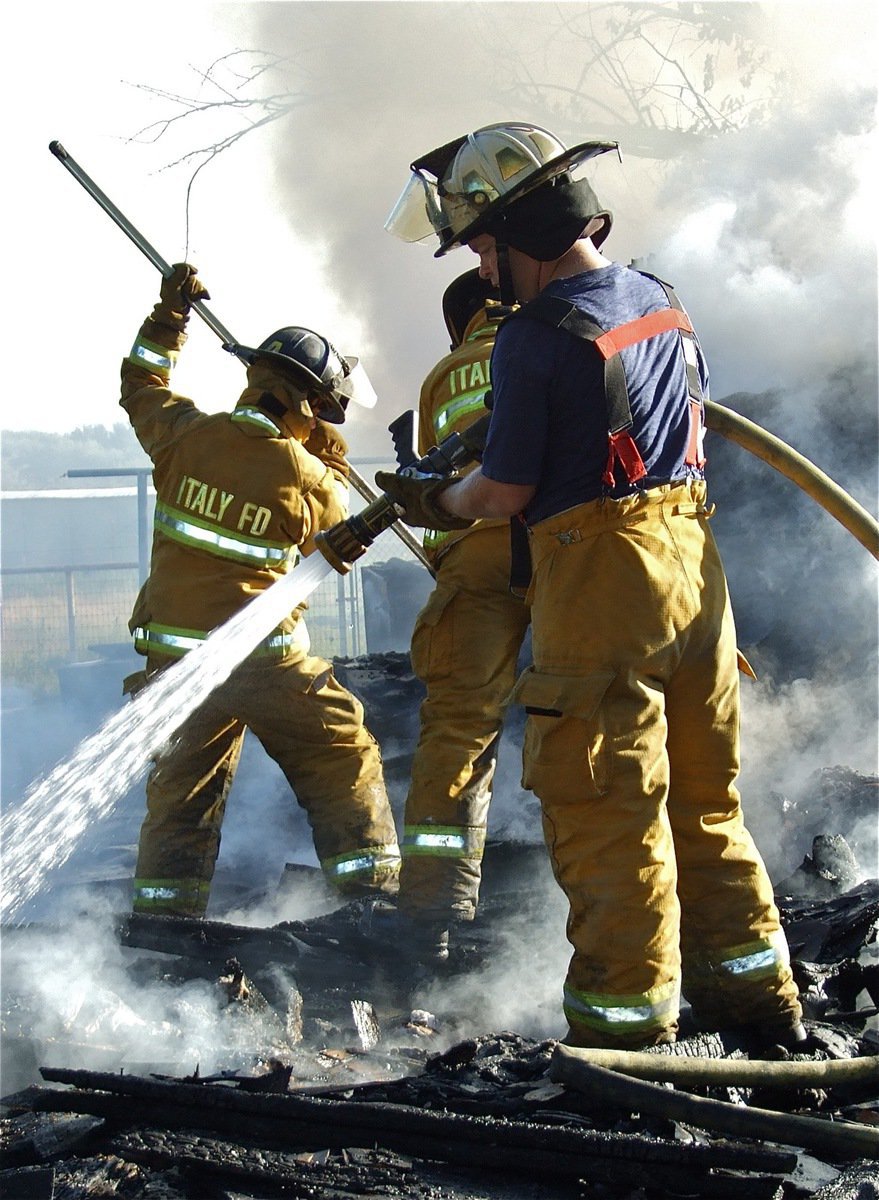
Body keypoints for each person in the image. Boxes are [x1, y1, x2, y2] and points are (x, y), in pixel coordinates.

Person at [377, 122, 804, 1050]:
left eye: (483, 247)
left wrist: (433, 499)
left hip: (604, 583)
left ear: (521, 233)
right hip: (694, 567)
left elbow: (503, 493)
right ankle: (761, 1008)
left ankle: (625, 1039)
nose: (482, 269)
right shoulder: (659, 298)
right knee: (706, 803)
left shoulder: (531, 338)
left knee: (607, 813)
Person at [122, 263, 401, 919]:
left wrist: (170, 317)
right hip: (263, 662)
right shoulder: (307, 475)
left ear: (254, 381)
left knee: (181, 795)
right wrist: (328, 455)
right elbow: (332, 541)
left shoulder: (183, 434)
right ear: (311, 406)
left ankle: (163, 924)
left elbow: (141, 383)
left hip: (174, 664)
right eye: (325, 411)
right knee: (341, 755)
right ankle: (370, 899)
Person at [365, 270, 532, 962]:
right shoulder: (560, 341)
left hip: (477, 554)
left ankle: (431, 913)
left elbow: (437, 494)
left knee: (459, 729)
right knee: (597, 710)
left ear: (461, 323)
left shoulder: (443, 376)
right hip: (568, 546)